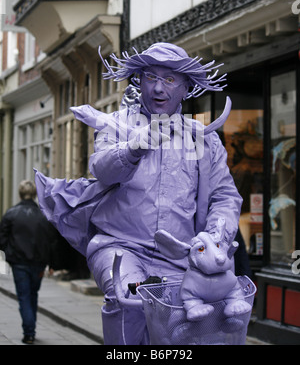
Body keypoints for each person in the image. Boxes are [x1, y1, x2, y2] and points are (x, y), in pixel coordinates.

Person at [35, 42, 243, 345]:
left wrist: (216, 235)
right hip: (120, 246)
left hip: (181, 257)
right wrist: (135, 146)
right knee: (130, 302)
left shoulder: (202, 140)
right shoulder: (117, 125)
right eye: (150, 77)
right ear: (139, 81)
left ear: (185, 87)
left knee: (177, 332)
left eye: (169, 79)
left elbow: (224, 197)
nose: (158, 88)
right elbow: (103, 169)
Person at [0, 180, 54, 344]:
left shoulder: (11, 213)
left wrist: (9, 253)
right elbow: (51, 241)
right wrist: (51, 263)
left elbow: (2, 239)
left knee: (24, 297)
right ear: (35, 195)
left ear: (20, 194)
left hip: (19, 262)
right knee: (32, 295)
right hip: (38, 263)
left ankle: (29, 331)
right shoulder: (43, 215)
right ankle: (31, 329)